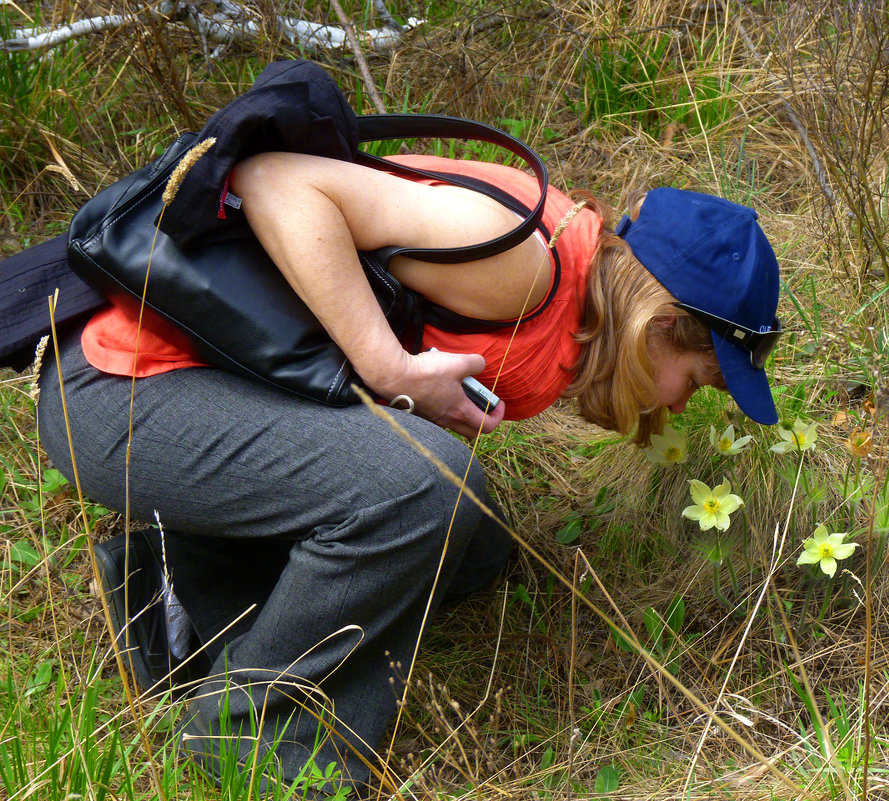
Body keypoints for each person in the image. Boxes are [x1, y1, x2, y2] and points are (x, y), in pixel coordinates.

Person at [35, 143, 782, 795]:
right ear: (659, 325)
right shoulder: (526, 263)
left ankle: (169, 590)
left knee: (472, 543)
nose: (685, 403)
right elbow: (276, 183)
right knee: (430, 490)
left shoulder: (564, 299)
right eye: (700, 377)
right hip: (122, 392)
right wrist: (387, 364)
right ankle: (258, 751)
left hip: (188, 396)